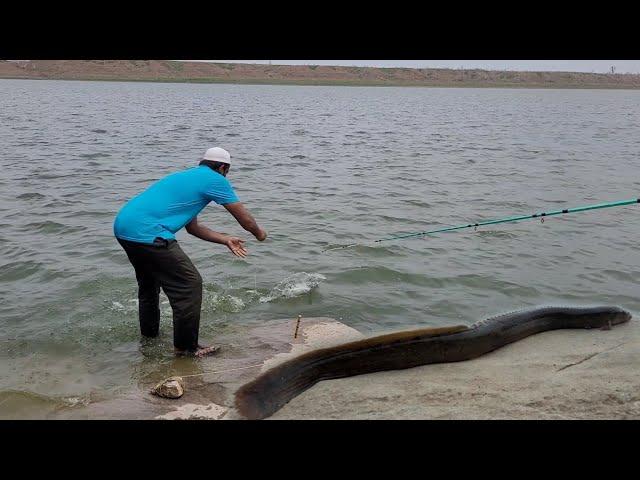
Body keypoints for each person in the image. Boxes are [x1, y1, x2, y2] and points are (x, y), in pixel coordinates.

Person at [113, 147, 267, 357]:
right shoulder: (216, 179)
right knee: (189, 284)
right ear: (223, 168)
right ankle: (186, 349)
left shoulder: (186, 178)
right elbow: (245, 219)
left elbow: (192, 228)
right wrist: (259, 234)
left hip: (125, 228)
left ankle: (149, 339)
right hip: (149, 233)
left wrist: (225, 239)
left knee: (149, 285)